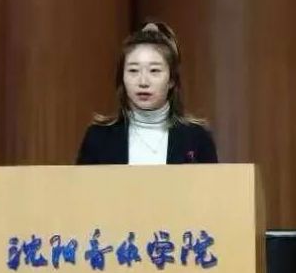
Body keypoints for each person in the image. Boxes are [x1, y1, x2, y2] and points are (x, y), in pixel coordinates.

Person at [76, 21, 218, 165]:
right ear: (122, 78)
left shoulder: (197, 137)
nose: (143, 82)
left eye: (154, 71)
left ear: (172, 80)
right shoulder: (98, 137)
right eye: (133, 71)